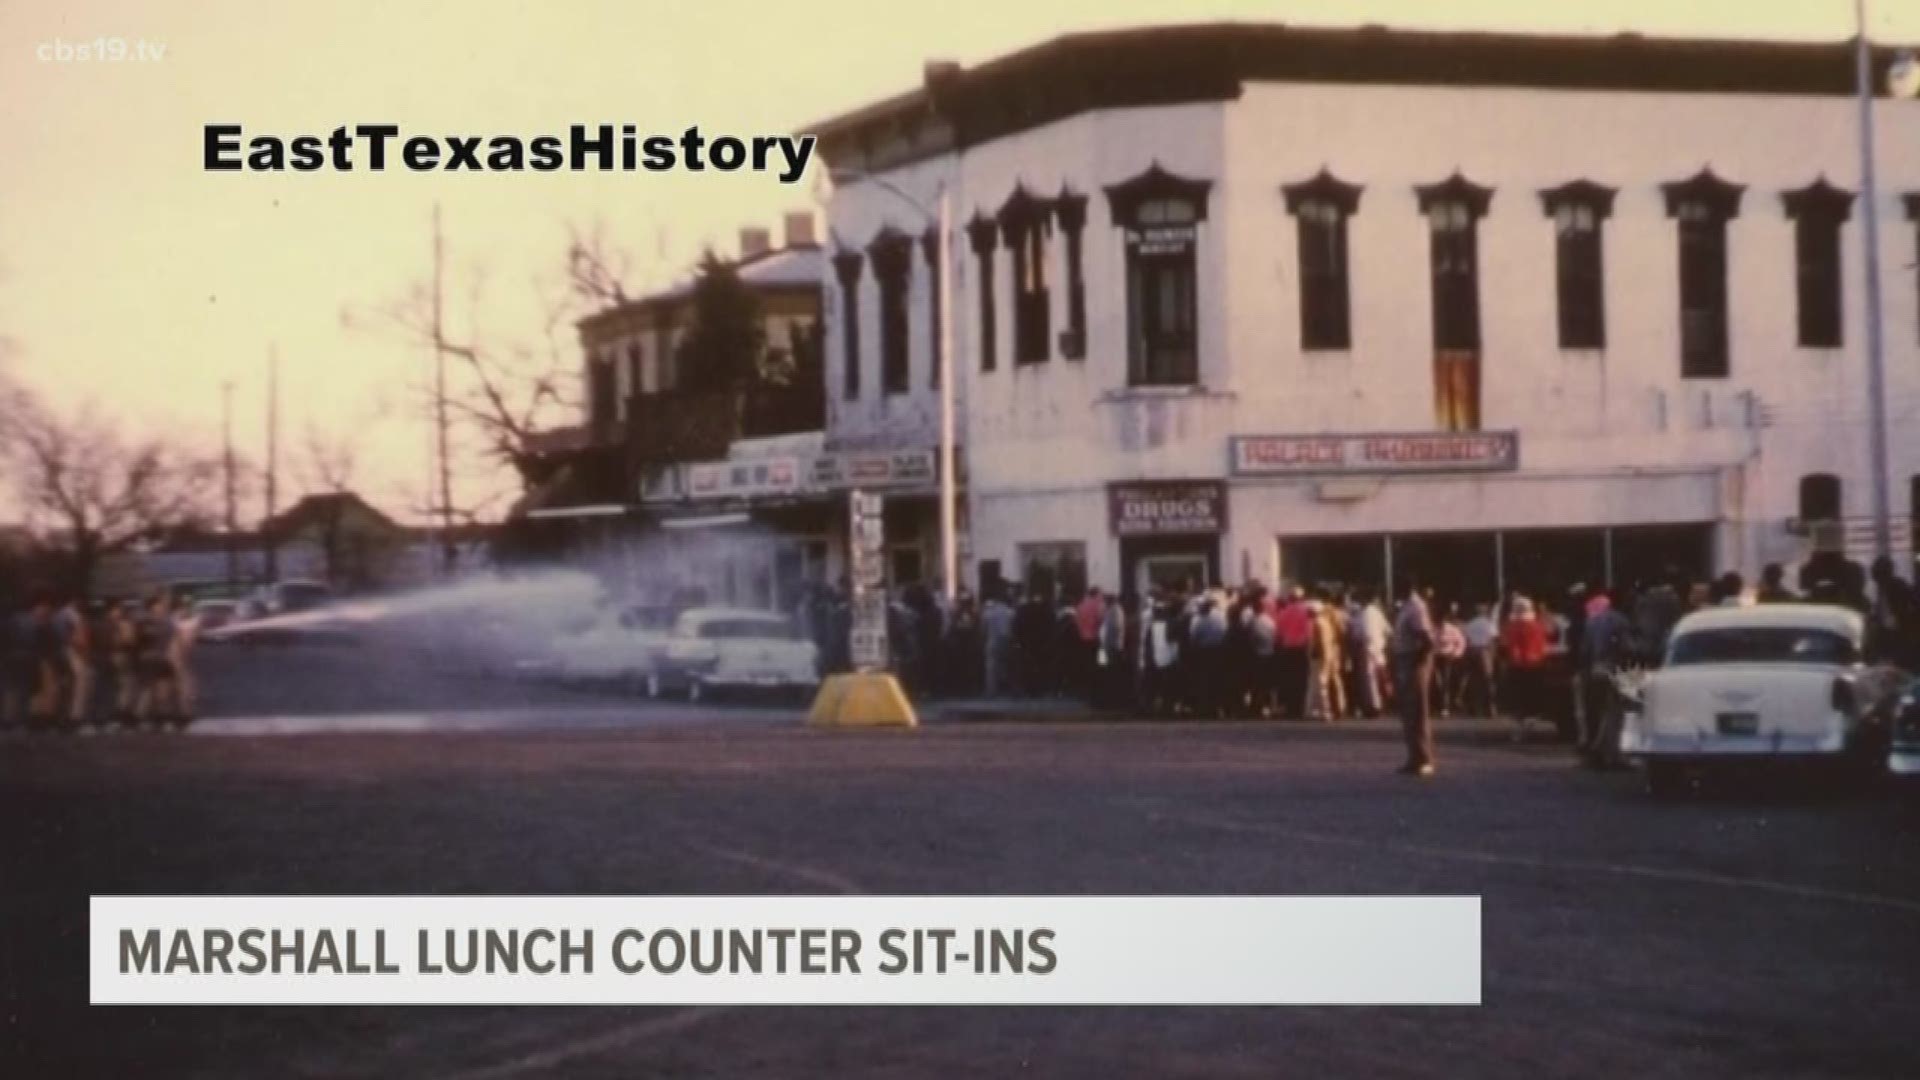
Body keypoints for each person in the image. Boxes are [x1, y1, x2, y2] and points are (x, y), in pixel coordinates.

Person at [1577, 588, 1634, 769]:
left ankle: (1597, 751)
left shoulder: (1593, 621)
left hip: (1596, 668)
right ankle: (1612, 755)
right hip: (1615, 668)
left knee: (1599, 712)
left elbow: (1584, 649)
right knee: (1615, 713)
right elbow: (1627, 647)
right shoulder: (1621, 621)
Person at [1390, 576, 1437, 776]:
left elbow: (1426, 639)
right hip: (1404, 659)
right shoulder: (1406, 607)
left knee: (1418, 711)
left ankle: (1425, 758)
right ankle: (1414, 757)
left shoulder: (1417, 608)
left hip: (1413, 660)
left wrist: (1418, 662)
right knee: (1409, 712)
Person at [1501, 596, 1550, 743]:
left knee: (1517, 700)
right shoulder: (1538, 625)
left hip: (1517, 666)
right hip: (1536, 665)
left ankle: (1519, 729)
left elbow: (1510, 646)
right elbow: (1543, 645)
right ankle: (1530, 721)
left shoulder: (1512, 626)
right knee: (1532, 697)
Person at [1868, 557, 1918, 670]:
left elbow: (1910, 607)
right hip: (1887, 633)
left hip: (1900, 633)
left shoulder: (1898, 586)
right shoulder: (1880, 589)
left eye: (1877, 573)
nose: (1874, 577)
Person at [1462, 602, 1498, 718]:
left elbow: (1466, 639)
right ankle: (1490, 708)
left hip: (1472, 650)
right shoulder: (1489, 624)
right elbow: (1493, 640)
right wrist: (1493, 654)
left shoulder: (1470, 624)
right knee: (1487, 681)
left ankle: (1474, 707)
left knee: (1474, 680)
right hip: (1484, 651)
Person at [1432, 605, 1467, 718]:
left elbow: (1461, 642)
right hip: (1436, 657)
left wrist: (1455, 654)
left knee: (1446, 683)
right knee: (1438, 683)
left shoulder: (1452, 629)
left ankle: (1445, 707)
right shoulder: (1434, 629)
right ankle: (1438, 705)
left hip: (1448, 658)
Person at [981, 587, 1015, 697]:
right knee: (1006, 665)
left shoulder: (989, 612)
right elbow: (1013, 626)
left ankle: (992, 690)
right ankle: (1007, 687)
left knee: (991, 666)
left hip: (993, 639)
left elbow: (983, 628)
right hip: (1006, 640)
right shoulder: (1010, 612)